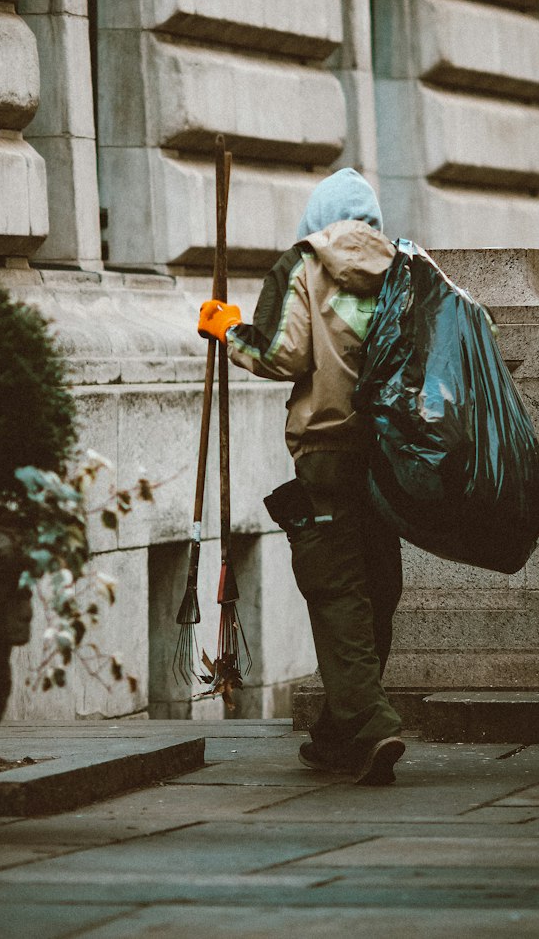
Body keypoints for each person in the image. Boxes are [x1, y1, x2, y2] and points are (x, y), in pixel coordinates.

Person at [198, 167, 405, 786]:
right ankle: (341, 734)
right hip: (393, 456)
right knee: (378, 584)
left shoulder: (303, 264)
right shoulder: (403, 268)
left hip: (327, 451)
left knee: (336, 587)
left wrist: (226, 330)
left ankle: (370, 723)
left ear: (316, 222)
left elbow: (282, 354)